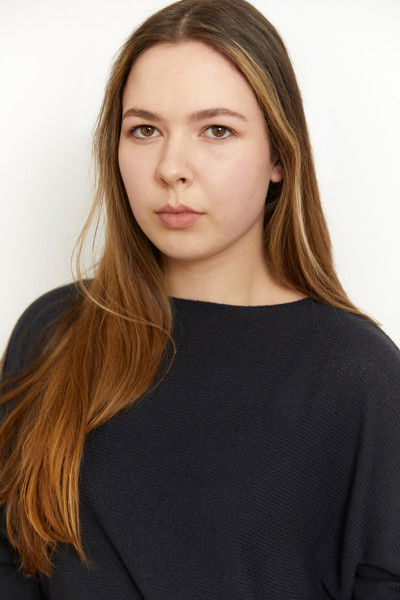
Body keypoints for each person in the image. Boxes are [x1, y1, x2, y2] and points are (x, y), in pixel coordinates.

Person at [1, 0, 399, 598]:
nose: (171, 168)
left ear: (279, 156)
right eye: (145, 130)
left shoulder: (358, 374)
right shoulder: (55, 330)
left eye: (217, 130)